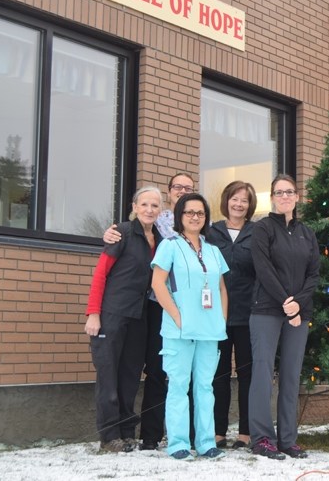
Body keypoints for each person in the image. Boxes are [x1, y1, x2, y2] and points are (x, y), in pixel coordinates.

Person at [102, 172, 195, 450]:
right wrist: (110, 232)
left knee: (183, 370)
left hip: (190, 307)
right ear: (169, 192)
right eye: (178, 186)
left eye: (188, 187)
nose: (182, 191)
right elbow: (128, 240)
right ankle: (150, 435)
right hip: (154, 305)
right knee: (155, 369)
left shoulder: (200, 222)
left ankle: (186, 432)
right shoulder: (157, 223)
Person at [151, 193, 229, 460]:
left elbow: (220, 288)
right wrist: (177, 317)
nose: (195, 217)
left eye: (200, 213)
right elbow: (157, 284)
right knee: (178, 386)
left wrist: (221, 320)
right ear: (179, 216)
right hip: (179, 330)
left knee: (205, 387)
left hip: (209, 331)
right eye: (189, 212)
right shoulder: (169, 246)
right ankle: (178, 444)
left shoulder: (214, 250)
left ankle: (206, 443)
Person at [84, 186, 163, 453]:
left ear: (160, 210)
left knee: (129, 377)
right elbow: (100, 274)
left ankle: (127, 432)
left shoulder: (160, 239)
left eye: (154, 206)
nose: (149, 210)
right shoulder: (122, 233)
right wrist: (93, 313)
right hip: (112, 315)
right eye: (145, 205)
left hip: (139, 317)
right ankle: (109, 437)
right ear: (135, 206)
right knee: (108, 377)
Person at [248, 174, 320, 460]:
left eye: (289, 192)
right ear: (272, 198)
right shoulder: (263, 229)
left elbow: (313, 274)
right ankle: (262, 438)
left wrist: (298, 305)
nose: (285, 196)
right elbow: (263, 268)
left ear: (297, 197)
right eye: (279, 192)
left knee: (291, 375)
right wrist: (285, 301)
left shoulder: (307, 233)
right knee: (263, 374)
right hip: (266, 309)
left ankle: (288, 439)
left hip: (298, 315)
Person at [206, 181, 257, 450]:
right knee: (219, 375)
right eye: (235, 199)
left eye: (244, 200)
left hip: (249, 316)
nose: (239, 204)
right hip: (218, 315)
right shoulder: (212, 232)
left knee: (248, 374)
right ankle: (218, 431)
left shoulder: (257, 233)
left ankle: (246, 433)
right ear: (226, 201)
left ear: (250, 206)